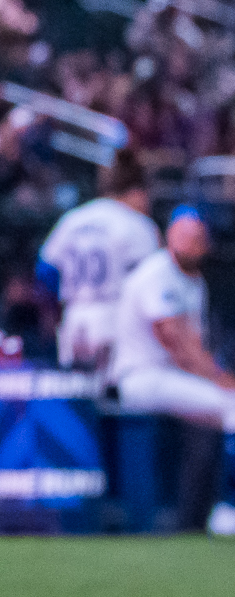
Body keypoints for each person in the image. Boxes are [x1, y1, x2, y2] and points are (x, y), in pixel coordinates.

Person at [109, 207, 235, 537]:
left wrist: (216, 376)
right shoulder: (157, 273)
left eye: (198, 239)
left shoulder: (194, 281)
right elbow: (176, 344)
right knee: (232, 406)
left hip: (170, 377)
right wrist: (221, 380)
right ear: (170, 238)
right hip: (141, 376)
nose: (192, 245)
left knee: (214, 421)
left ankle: (196, 516)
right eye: (185, 237)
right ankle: (228, 507)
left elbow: (195, 344)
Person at [37, 150, 158, 369]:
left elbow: (45, 272)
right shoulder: (138, 225)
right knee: (112, 399)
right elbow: (150, 283)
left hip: (74, 320)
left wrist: (57, 313)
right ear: (137, 192)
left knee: (77, 398)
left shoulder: (73, 219)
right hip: (116, 320)